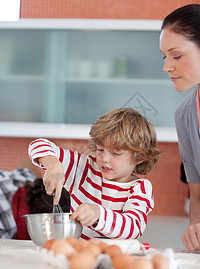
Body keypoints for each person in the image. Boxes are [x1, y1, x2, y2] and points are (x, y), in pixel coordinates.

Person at [28, 107, 161, 240]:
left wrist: (98, 214)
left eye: (115, 153)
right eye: (100, 149)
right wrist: (53, 164)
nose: (104, 159)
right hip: (78, 255)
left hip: (116, 258)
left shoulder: (140, 188)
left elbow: (133, 227)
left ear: (140, 156)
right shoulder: (84, 169)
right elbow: (38, 144)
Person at [160, 4, 200, 251]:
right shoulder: (185, 116)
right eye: (164, 57)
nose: (167, 67)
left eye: (176, 56)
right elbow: (197, 195)